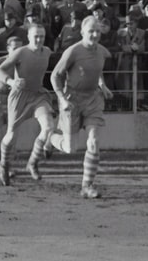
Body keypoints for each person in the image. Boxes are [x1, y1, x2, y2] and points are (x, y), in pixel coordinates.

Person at [46, 16, 114, 198]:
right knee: (69, 148)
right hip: (72, 99)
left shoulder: (101, 51)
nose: (94, 35)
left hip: (93, 99)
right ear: (83, 32)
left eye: (98, 31)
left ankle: (87, 185)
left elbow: (97, 70)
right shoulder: (73, 51)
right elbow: (55, 76)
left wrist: (102, 85)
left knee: (94, 141)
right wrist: (61, 98)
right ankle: (50, 137)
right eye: (91, 31)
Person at [0, 25, 57, 186]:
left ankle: (32, 163)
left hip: (37, 95)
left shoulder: (47, 52)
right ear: (29, 37)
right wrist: (12, 81)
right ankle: (4, 164)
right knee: (11, 136)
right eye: (36, 36)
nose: (39, 40)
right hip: (19, 96)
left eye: (42, 36)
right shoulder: (20, 52)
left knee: (48, 127)